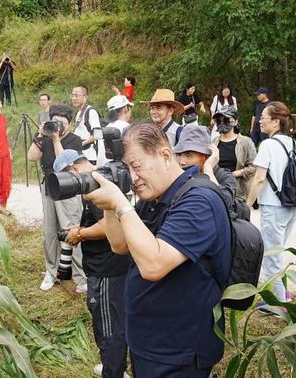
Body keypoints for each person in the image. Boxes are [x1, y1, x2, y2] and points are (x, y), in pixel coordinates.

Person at [83, 122, 231, 376]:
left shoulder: (198, 200)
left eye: (136, 166)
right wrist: (108, 204)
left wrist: (120, 202)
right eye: (126, 169)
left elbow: (154, 265)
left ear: (164, 155)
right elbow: (119, 245)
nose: (132, 177)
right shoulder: (155, 199)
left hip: (180, 351)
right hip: (149, 344)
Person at [54, 150, 131, 378]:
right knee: (116, 322)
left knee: (108, 328)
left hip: (107, 270)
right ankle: (115, 367)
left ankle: (113, 371)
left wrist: (80, 234)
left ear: (73, 170)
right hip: (112, 267)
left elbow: (107, 226)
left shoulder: (97, 185)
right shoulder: (102, 179)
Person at [246, 101, 296, 303]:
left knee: (272, 255)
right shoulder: (292, 143)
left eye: (263, 118)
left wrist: (247, 205)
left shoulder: (267, 144)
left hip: (274, 206)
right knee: (278, 251)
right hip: (291, 205)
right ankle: (280, 295)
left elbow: (259, 178)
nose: (259, 121)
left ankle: (277, 304)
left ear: (275, 122)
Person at [27, 104, 87, 293]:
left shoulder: (75, 140)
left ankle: (80, 277)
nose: (59, 126)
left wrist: (55, 139)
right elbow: (31, 157)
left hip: (69, 188)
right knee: (49, 232)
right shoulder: (44, 138)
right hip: (49, 188)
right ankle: (51, 272)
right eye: (55, 121)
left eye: (63, 122)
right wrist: (40, 136)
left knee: (73, 231)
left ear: (69, 123)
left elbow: (64, 163)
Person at [174, 124, 238, 206]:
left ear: (206, 156)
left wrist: (208, 169)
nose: (182, 161)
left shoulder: (224, 177)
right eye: (179, 155)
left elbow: (224, 202)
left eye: (188, 155)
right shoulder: (179, 175)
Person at [212, 107, 257, 202]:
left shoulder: (246, 142)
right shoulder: (213, 143)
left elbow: (254, 166)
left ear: (235, 122)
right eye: (218, 120)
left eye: (226, 119)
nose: (222, 122)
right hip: (216, 190)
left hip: (238, 194)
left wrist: (235, 174)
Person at [98, 95, 133, 167]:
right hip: (121, 170)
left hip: (104, 169)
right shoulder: (127, 127)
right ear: (126, 108)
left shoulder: (105, 128)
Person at [71, 85, 102, 164]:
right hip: (79, 156)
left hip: (90, 156)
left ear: (85, 97)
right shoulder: (78, 112)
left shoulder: (91, 112)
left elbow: (98, 134)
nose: (74, 98)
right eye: (72, 95)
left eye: (77, 95)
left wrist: (82, 143)